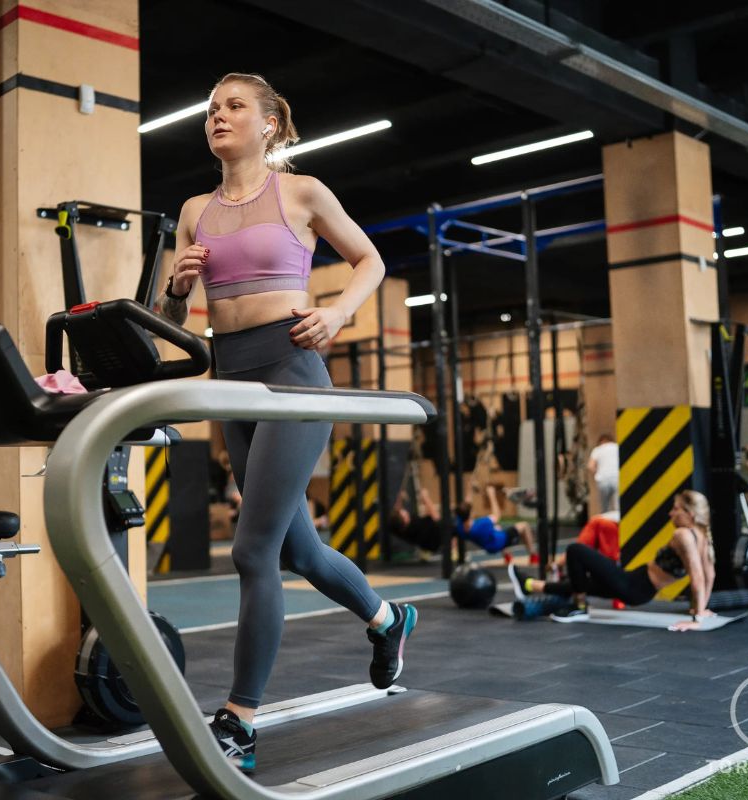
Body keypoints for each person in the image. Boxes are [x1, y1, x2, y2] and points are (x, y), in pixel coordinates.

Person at [158, 72, 416, 771]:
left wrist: (334, 314)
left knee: (251, 551)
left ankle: (239, 719)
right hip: (230, 380)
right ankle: (389, 620)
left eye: (234, 106)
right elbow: (167, 319)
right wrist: (178, 288)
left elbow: (370, 259)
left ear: (269, 124)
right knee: (297, 553)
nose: (218, 116)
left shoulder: (301, 192)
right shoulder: (192, 209)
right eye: (211, 108)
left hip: (292, 372)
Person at [513, 490, 716, 631]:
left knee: (575, 550)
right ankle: (530, 585)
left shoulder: (683, 535)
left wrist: (696, 619)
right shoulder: (702, 537)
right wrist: (702, 608)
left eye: (676, 509)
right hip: (638, 587)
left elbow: (697, 577)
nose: (671, 513)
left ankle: (579, 607)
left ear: (689, 513)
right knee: (584, 584)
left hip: (634, 585)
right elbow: (710, 575)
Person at [453, 484, 538, 563]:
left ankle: (507, 556)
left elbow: (467, 504)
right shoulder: (481, 525)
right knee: (524, 525)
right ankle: (533, 556)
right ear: (470, 513)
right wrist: (492, 495)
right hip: (500, 543)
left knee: (497, 528)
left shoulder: (460, 526)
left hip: (488, 546)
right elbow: (497, 516)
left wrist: (470, 488)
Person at [587, 434, 619, 513]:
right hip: (617, 478)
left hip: (603, 479)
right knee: (618, 506)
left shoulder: (597, 450)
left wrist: (598, 472)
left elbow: (590, 466)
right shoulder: (616, 447)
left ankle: (605, 522)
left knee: (605, 506)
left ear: (601, 441)